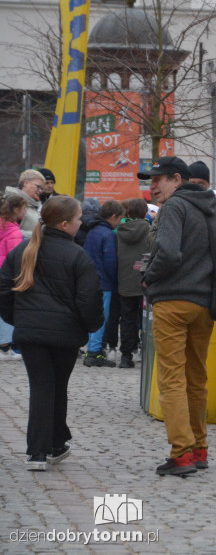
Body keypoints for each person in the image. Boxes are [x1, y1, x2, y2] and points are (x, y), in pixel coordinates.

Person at [140, 155, 216, 476]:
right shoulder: (214, 210)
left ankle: (181, 454)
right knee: (196, 379)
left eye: (159, 179)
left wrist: (148, 277)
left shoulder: (175, 207)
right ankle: (199, 448)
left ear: (177, 180)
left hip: (173, 301)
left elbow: (168, 252)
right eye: (151, 180)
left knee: (171, 380)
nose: (153, 186)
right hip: (204, 307)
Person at [0, 196, 104, 470]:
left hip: (31, 334)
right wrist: (91, 327)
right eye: (78, 219)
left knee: (42, 387)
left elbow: (3, 291)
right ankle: (48, 447)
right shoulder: (77, 256)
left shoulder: (21, 251)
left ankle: (43, 449)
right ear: (64, 223)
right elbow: (89, 299)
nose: (81, 223)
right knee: (57, 387)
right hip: (65, 335)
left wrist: (18, 320)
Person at [83, 200, 124, 367]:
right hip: (105, 283)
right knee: (102, 318)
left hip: (91, 280)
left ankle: (92, 349)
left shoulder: (92, 231)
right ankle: (94, 352)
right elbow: (110, 262)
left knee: (94, 315)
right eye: (120, 218)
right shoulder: (108, 234)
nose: (120, 222)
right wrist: (116, 280)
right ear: (113, 216)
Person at [116, 199, 151, 368]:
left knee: (127, 319)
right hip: (145, 281)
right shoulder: (150, 231)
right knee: (146, 319)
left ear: (127, 213)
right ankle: (146, 353)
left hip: (124, 280)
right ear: (145, 213)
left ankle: (126, 356)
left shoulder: (118, 232)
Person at [0, 191, 28, 360]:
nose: (25, 213)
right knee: (6, 308)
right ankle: (5, 347)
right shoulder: (15, 232)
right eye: (24, 209)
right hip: (7, 274)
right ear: (16, 210)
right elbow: (16, 257)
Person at [4, 169, 44, 239]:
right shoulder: (12, 203)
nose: (40, 191)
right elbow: (6, 231)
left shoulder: (32, 204)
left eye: (41, 188)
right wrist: (38, 235)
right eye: (38, 186)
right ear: (26, 183)